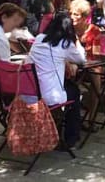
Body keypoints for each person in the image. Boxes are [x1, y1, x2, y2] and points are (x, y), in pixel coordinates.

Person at [26, 11, 86, 148]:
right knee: (75, 92)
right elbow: (81, 59)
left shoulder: (40, 38)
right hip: (49, 95)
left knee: (69, 88)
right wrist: (76, 42)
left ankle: (56, 130)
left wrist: (65, 61)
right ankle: (71, 137)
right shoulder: (65, 43)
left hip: (32, 91)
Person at [69, 0, 101, 128]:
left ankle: (91, 119)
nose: (72, 17)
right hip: (71, 65)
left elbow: (97, 56)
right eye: (70, 13)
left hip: (90, 65)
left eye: (76, 14)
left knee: (96, 76)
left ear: (84, 17)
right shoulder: (68, 29)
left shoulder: (94, 31)